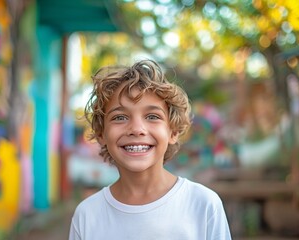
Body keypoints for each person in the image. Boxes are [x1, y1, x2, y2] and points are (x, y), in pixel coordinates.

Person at [68, 59, 232, 240]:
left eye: (152, 116)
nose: (137, 129)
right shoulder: (87, 215)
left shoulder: (204, 204)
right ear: (101, 134)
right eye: (120, 117)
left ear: (173, 131)